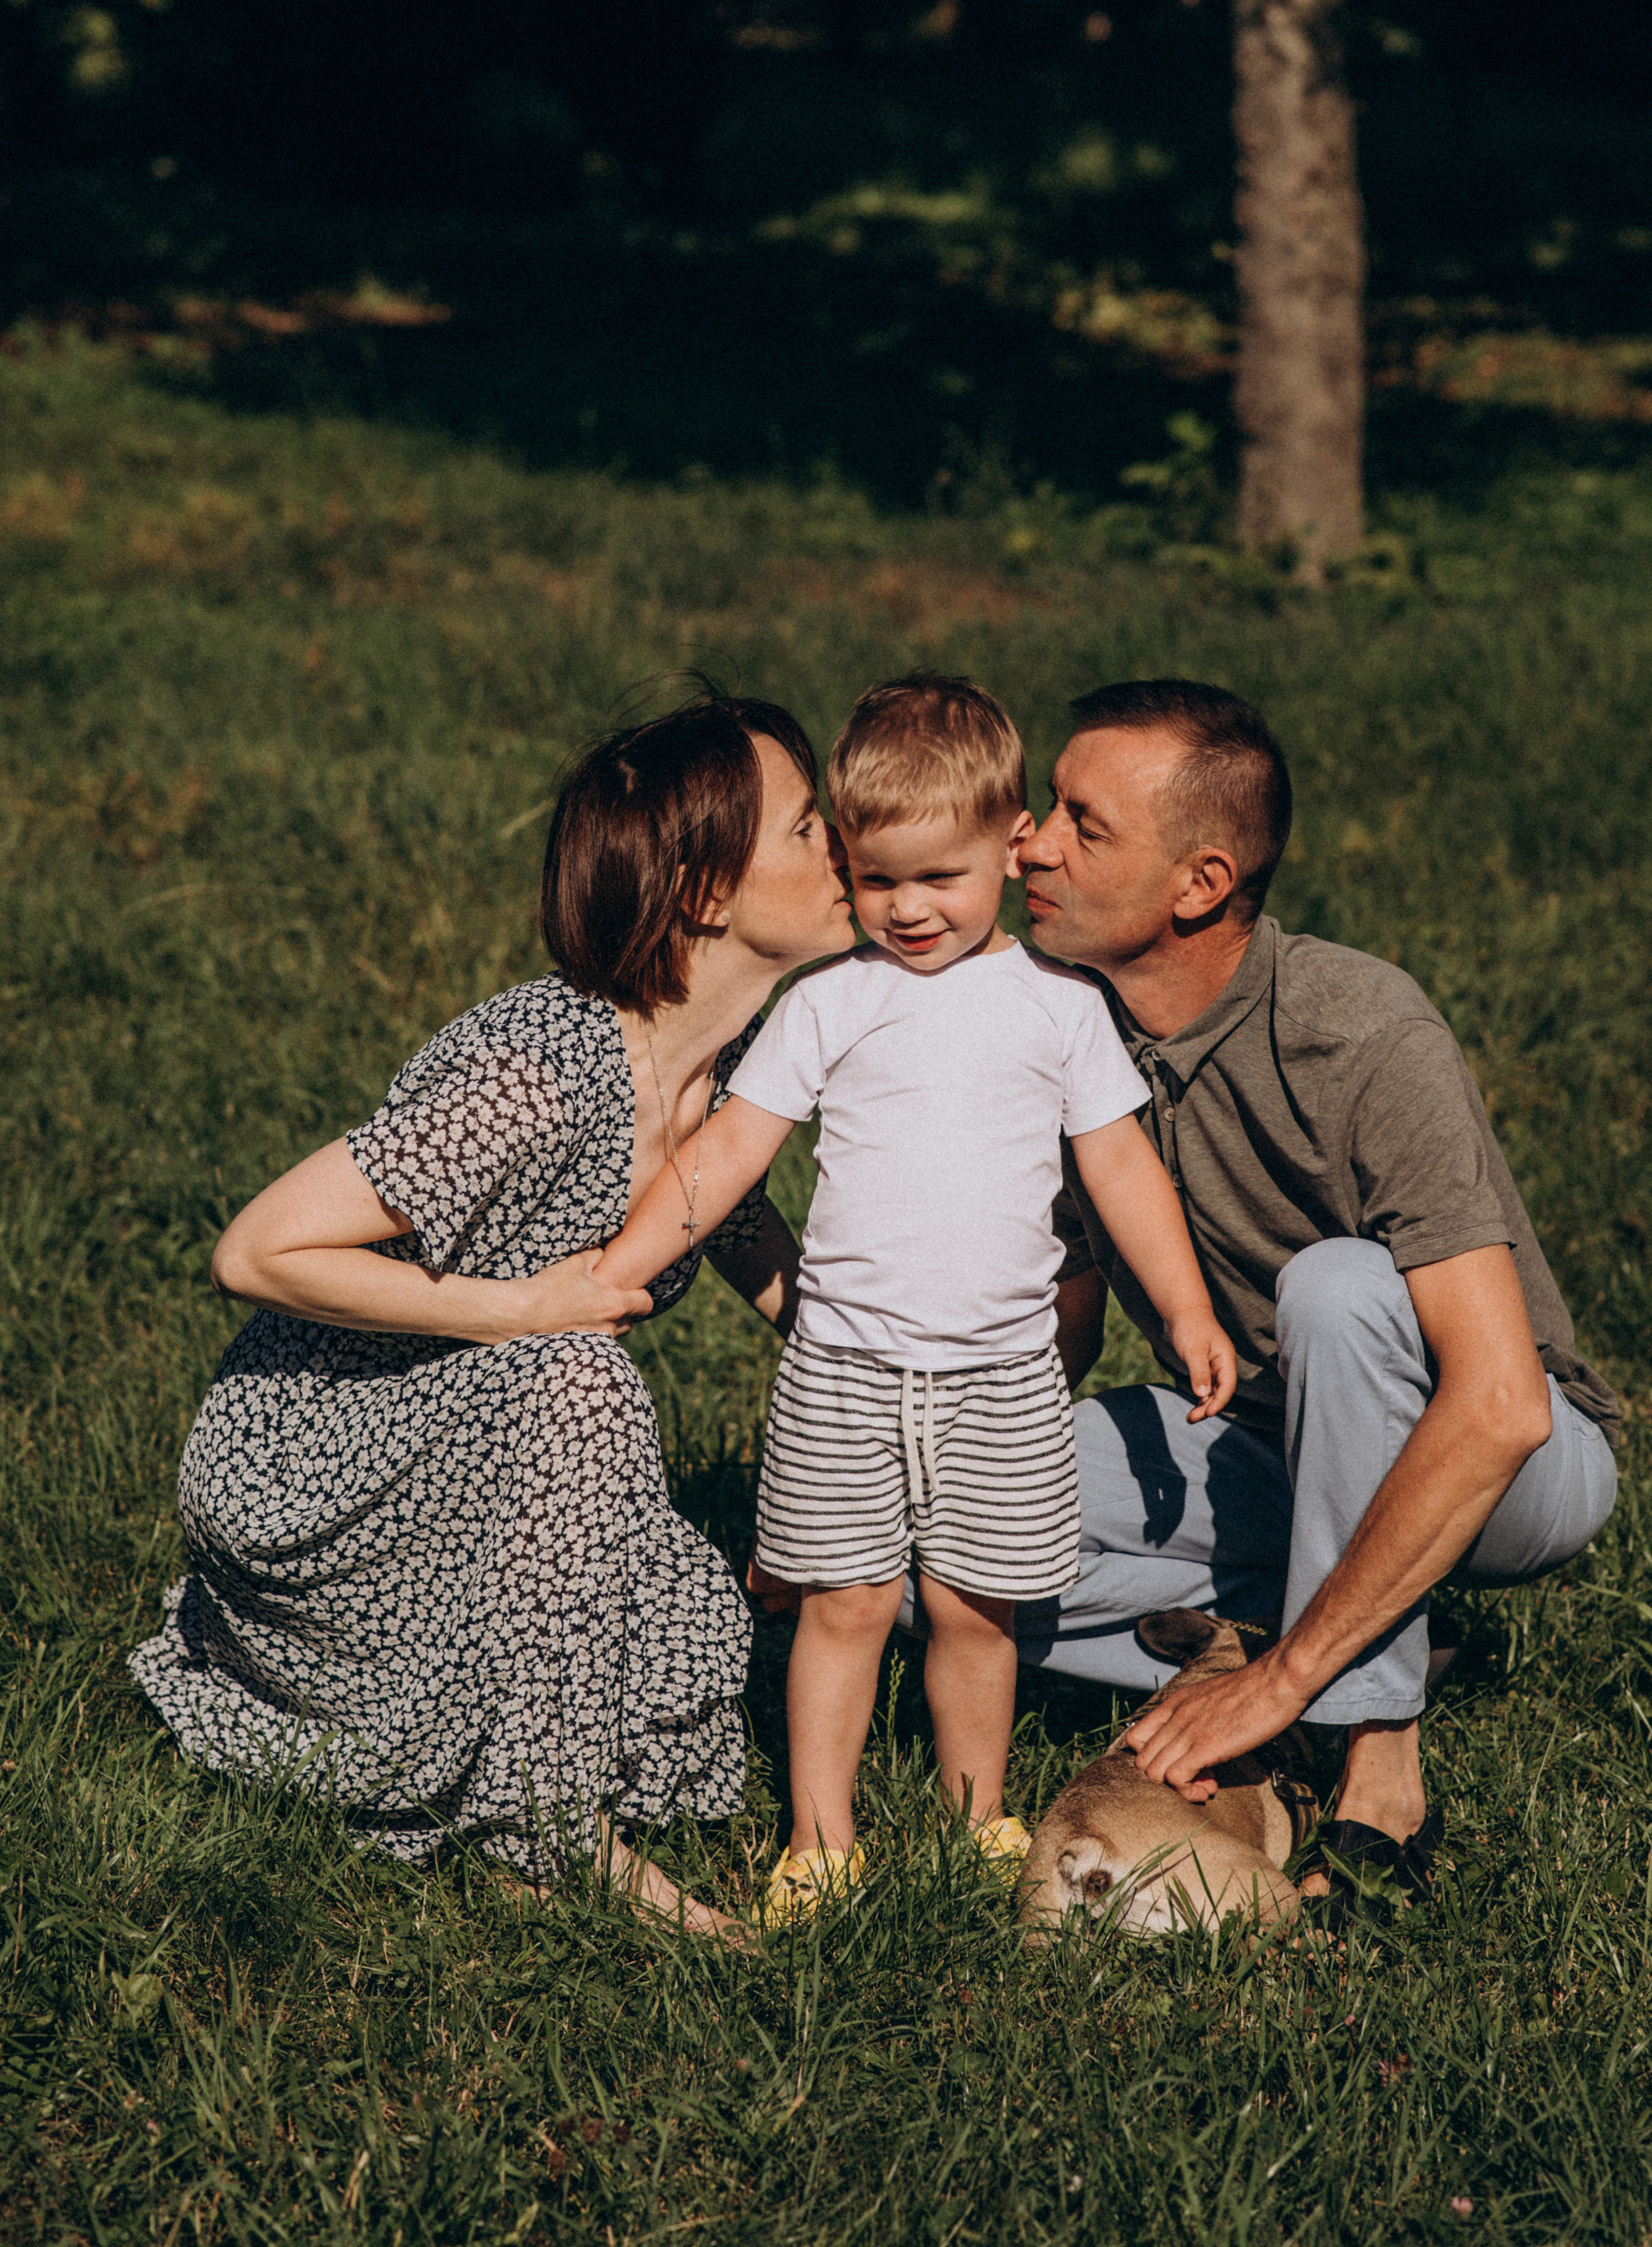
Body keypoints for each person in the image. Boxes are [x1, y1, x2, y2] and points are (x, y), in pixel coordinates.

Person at [129, 692, 857, 1935]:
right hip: (326, 1457)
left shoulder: (721, 1075)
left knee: (592, 1431)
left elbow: (724, 1222)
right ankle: (558, 1838)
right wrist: (529, 1306)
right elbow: (256, 1248)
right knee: (580, 1377)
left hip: (467, 1450)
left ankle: (538, 1786)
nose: (848, 851)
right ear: (705, 893)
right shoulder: (539, 1070)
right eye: (808, 829)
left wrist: (897, 1353)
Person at [597, 675, 1236, 1919]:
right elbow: (732, 1149)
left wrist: (1189, 1311)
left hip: (1006, 1372)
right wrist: (623, 1263)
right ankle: (819, 1838)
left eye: (940, 879)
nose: (908, 910)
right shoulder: (832, 1001)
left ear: (1009, 846)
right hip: (843, 1369)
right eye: (877, 880)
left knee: (974, 1609)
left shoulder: (1061, 1008)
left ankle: (974, 1817)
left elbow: (1121, 1172)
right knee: (842, 1608)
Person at [1013, 677, 1621, 1900]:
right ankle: (1349, 1621)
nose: (1031, 843)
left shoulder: (1359, 1029)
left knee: (1339, 1289)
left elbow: (1499, 1404)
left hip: (1510, 1457)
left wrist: (1280, 1689)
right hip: (1256, 1446)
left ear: (1202, 884)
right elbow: (1054, 1338)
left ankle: (1371, 1754)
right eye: (1045, 809)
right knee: (948, 1534)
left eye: (1084, 824)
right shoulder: (1060, 1032)